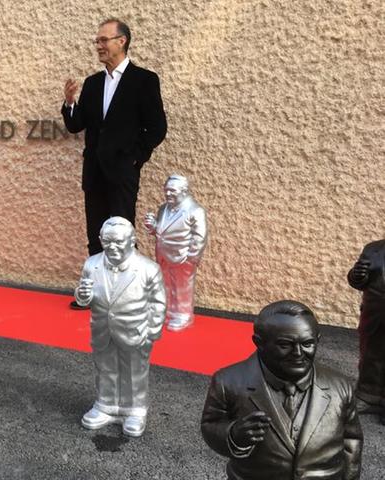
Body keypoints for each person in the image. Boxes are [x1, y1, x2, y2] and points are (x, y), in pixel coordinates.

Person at [62, 19, 167, 309]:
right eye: (97, 41)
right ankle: (94, 293)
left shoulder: (145, 80)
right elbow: (76, 125)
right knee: (96, 233)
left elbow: (157, 128)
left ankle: (125, 295)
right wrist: (70, 103)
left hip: (122, 172)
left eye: (103, 40)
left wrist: (135, 158)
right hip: (94, 172)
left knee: (121, 232)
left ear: (121, 41)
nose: (98, 45)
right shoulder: (94, 84)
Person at [201, 300, 363, 480]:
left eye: (307, 344)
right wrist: (233, 435)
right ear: (259, 343)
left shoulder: (340, 385)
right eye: (285, 345)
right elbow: (211, 425)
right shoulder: (228, 382)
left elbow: (352, 439)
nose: (298, 353)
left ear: (317, 340)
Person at [74, 217, 165, 437]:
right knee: (105, 369)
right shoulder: (92, 264)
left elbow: (158, 303)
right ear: (100, 240)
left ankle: (135, 410)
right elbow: (83, 293)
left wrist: (151, 332)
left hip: (135, 332)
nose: (112, 246)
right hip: (102, 329)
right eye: (107, 241)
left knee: (134, 372)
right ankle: (105, 405)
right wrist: (82, 296)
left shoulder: (148, 269)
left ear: (132, 240)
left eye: (118, 241)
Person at [144, 174, 207, 331]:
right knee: (165, 284)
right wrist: (153, 227)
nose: (168, 194)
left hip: (183, 257)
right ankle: (168, 312)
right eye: (166, 190)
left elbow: (200, 237)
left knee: (182, 287)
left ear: (184, 191)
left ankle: (183, 315)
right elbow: (161, 231)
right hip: (163, 255)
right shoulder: (163, 208)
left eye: (172, 191)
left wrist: (191, 258)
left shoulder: (195, 211)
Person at [348, 237, 385, 424]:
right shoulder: (373, 249)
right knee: (370, 354)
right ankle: (366, 394)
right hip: (374, 313)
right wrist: (358, 275)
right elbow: (358, 282)